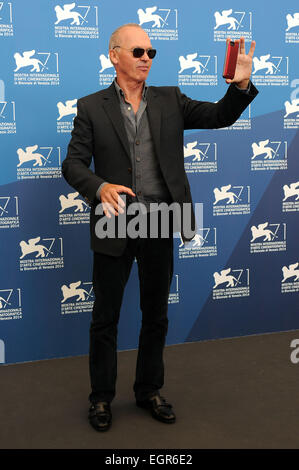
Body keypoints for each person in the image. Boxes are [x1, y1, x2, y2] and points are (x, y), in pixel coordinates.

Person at [62, 23, 258, 432]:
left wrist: (240, 87)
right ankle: (101, 399)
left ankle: (148, 390)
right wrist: (99, 188)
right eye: (138, 52)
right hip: (115, 221)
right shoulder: (90, 106)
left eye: (151, 52)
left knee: (155, 315)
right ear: (114, 56)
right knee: (105, 317)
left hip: (160, 220)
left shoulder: (171, 99)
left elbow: (219, 117)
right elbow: (73, 165)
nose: (147, 58)